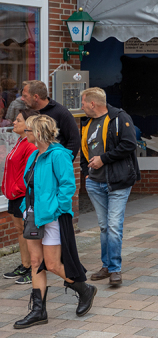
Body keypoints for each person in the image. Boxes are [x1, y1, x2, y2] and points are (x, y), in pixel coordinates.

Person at [14, 114, 96, 329]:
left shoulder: (58, 155)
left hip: (52, 218)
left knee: (51, 264)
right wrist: (26, 207)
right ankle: (38, 311)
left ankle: (83, 289)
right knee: (35, 262)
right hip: (33, 215)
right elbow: (29, 186)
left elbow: (68, 186)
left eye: (28, 130)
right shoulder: (34, 155)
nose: (25, 133)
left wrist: (54, 210)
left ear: (38, 132)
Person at [79, 87, 141, 287]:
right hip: (95, 183)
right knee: (105, 226)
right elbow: (84, 150)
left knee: (113, 226)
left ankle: (114, 269)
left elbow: (130, 144)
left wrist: (103, 160)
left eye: (83, 103)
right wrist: (85, 171)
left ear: (92, 104)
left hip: (117, 182)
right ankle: (106, 266)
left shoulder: (119, 118)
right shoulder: (87, 123)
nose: (81, 107)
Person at [1, 109, 38, 285]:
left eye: (18, 120)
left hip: (22, 195)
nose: (13, 122)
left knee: (26, 231)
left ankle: (33, 267)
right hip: (13, 194)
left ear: (28, 125)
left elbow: (29, 174)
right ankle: (24, 264)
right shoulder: (20, 142)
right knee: (19, 230)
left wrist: (17, 189)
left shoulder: (30, 145)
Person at [20, 80, 80, 158]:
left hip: (54, 164)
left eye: (25, 96)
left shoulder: (61, 112)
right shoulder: (29, 112)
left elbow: (74, 140)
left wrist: (64, 161)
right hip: (34, 163)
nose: (22, 99)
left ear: (36, 97)